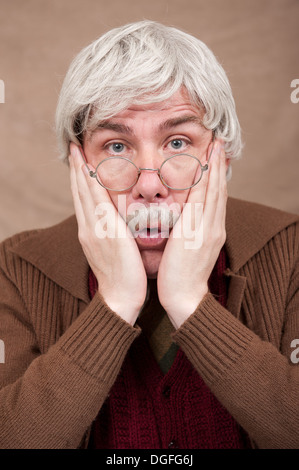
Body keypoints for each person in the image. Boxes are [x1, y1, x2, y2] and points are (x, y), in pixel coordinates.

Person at [0, 20, 298, 450]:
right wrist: (115, 303)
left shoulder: (291, 249)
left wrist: (191, 304)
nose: (149, 184)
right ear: (78, 164)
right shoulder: (17, 265)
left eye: (178, 143)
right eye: (116, 147)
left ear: (223, 157)